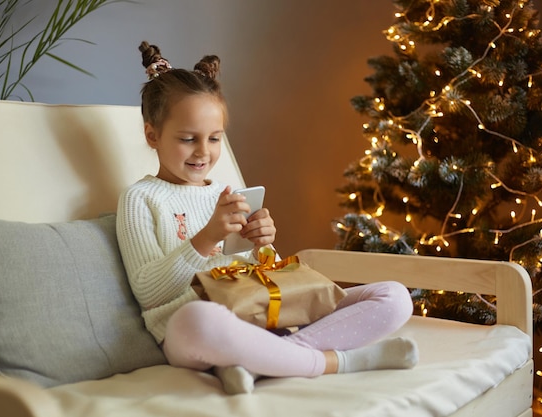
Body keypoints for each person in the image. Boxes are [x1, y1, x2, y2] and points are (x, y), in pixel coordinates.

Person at [116, 41, 418, 395]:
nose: (204, 151)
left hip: (260, 315)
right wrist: (206, 238)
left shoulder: (224, 193)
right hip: (191, 327)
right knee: (198, 320)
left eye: (214, 138)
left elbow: (259, 279)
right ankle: (338, 361)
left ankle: (261, 363)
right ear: (152, 135)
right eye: (188, 139)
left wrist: (264, 245)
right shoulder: (140, 198)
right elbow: (150, 294)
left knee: (395, 297)